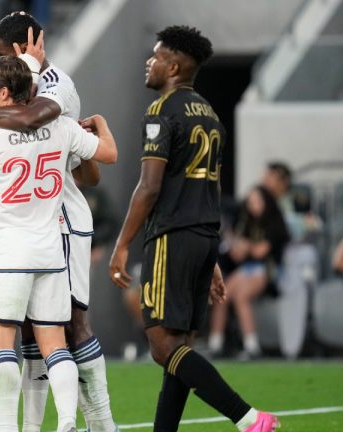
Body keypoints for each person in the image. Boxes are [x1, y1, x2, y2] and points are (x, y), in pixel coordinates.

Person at [0, 11, 117, 432]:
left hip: (28, 237)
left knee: (12, 336)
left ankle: (93, 424)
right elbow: (100, 160)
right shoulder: (58, 124)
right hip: (50, 236)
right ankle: (62, 423)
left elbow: (21, 122)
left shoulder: (45, 101)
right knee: (51, 339)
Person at [108, 25, 279, 432]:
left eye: (155, 56)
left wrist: (122, 244)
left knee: (162, 346)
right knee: (180, 346)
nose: (148, 62)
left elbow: (149, 186)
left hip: (171, 235)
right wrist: (213, 255)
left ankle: (249, 419)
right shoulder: (211, 114)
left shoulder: (162, 110)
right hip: (202, 237)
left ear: (173, 65)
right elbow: (211, 188)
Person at [208, 186, 289, 358]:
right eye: (251, 202)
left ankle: (252, 346)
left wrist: (247, 246)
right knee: (222, 294)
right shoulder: (245, 221)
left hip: (267, 270)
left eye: (257, 201)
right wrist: (235, 244)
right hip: (246, 269)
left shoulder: (274, 222)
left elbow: (262, 251)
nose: (254, 205)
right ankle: (215, 344)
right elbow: (237, 256)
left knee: (241, 296)